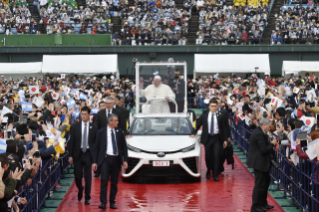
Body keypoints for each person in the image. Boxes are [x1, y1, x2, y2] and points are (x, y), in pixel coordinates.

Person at [92, 114, 128, 210]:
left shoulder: (119, 132)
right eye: (115, 121)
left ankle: (112, 202)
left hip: (116, 160)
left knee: (114, 182)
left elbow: (124, 147)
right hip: (105, 160)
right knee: (104, 181)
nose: (117, 122)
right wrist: (94, 161)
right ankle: (103, 202)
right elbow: (96, 147)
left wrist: (125, 160)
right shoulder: (101, 132)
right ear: (110, 122)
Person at [191, 98, 228, 181]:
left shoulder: (220, 115)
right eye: (212, 106)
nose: (213, 108)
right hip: (207, 138)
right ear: (209, 106)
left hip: (217, 138)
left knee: (216, 156)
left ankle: (215, 174)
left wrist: (225, 139)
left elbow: (224, 128)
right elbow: (198, 124)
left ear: (217, 106)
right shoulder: (204, 115)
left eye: (215, 106)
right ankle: (208, 171)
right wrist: (193, 133)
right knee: (208, 157)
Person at [246, 118, 278, 212]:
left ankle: (263, 202)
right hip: (259, 162)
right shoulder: (259, 133)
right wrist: (272, 144)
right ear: (264, 125)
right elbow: (264, 149)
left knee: (266, 182)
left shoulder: (261, 132)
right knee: (259, 184)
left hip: (263, 162)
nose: (270, 127)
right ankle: (255, 206)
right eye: (269, 126)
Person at [68, 106, 98, 205]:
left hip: (89, 153)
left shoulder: (94, 127)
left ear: (89, 115)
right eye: (82, 114)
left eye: (85, 114)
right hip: (78, 153)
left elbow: (95, 144)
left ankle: (87, 197)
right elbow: (71, 142)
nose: (83, 116)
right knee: (77, 176)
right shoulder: (75, 126)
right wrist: (70, 155)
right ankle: (80, 187)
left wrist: (95, 160)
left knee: (88, 176)